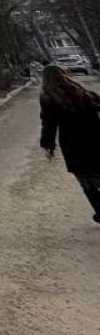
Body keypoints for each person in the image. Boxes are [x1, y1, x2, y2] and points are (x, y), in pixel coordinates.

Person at [38, 63, 100, 222]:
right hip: (95, 137)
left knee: (85, 179)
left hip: (74, 144)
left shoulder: (48, 97)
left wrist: (48, 145)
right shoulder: (81, 90)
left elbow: (49, 124)